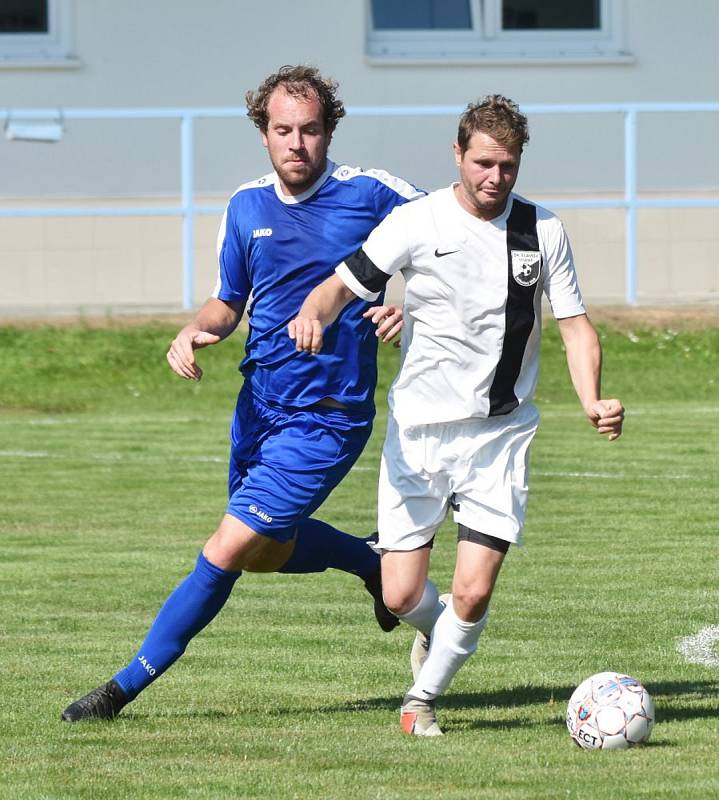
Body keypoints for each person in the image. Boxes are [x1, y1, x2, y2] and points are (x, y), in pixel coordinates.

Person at [62, 65, 424, 722]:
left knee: (225, 548)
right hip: (258, 409)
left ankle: (119, 690)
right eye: (282, 130)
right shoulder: (246, 205)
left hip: (327, 418)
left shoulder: (372, 193)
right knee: (263, 554)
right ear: (262, 134)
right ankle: (369, 561)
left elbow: (455, 240)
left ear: (329, 130)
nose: (296, 143)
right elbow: (228, 302)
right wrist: (196, 329)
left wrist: (411, 308)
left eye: (309, 130)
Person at [289, 94, 625, 737]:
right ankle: (436, 631)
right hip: (417, 434)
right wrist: (314, 313)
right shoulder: (416, 223)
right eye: (483, 163)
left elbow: (576, 328)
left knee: (474, 591)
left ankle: (421, 702)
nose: (495, 178)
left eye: (508, 165)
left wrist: (592, 399)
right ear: (457, 155)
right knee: (398, 595)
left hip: (501, 434)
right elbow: (342, 284)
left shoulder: (541, 230)